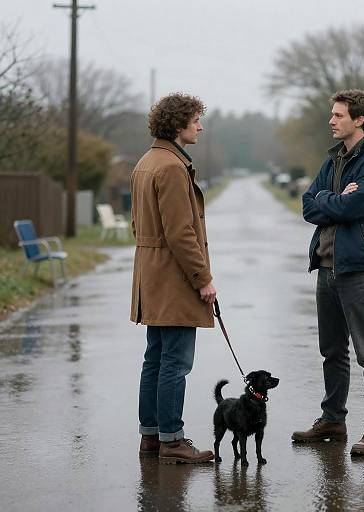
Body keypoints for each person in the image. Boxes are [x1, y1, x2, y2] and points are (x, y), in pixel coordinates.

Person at [292, 89, 364, 455]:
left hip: (359, 269)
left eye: (338, 115)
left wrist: (328, 201)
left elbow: (354, 208)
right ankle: (333, 419)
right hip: (326, 267)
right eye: (332, 114)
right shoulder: (334, 160)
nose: (331, 121)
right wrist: (329, 200)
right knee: (332, 350)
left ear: (359, 120)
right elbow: (308, 205)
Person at [131, 92, 216, 463]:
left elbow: (138, 223)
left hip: (152, 276)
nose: (200, 125)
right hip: (173, 278)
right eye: (195, 119)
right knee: (175, 363)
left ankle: (151, 437)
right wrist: (203, 278)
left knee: (156, 358)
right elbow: (181, 233)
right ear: (178, 124)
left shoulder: (146, 162)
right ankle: (172, 439)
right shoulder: (170, 167)